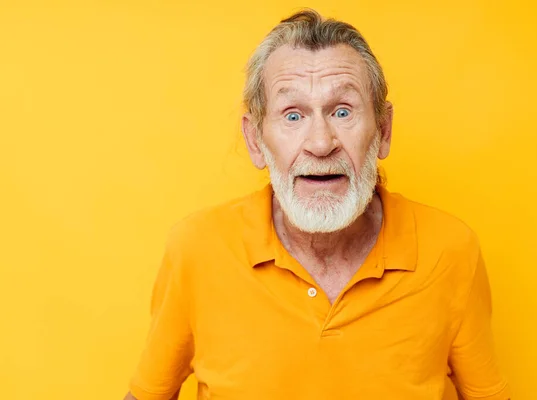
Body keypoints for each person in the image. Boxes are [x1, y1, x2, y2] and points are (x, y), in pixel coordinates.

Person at [124, 9, 510, 400]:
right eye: (293, 115)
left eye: (342, 111)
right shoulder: (197, 249)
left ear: (384, 130)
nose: (321, 144)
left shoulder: (451, 249)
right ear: (256, 141)